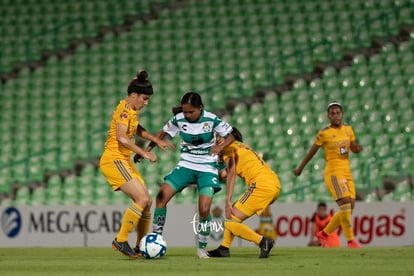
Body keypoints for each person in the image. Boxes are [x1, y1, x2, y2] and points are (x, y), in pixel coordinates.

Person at [141, 92, 235, 259]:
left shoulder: (211, 119)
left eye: (191, 112)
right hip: (186, 165)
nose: (187, 115)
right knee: (161, 197)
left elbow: (232, 135)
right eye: (185, 112)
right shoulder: (178, 119)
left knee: (204, 208)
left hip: (207, 167)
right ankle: (156, 238)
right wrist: (146, 151)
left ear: (200, 108)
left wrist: (220, 148)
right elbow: (162, 133)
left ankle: (201, 248)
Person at [99, 70, 174, 258]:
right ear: (134, 95)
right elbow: (122, 137)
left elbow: (137, 130)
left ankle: (141, 246)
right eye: (144, 99)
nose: (146, 103)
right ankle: (121, 240)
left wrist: (155, 140)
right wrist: (144, 153)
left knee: (147, 202)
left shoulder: (131, 110)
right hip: (114, 159)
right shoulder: (124, 110)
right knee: (142, 200)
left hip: (123, 160)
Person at [294, 101, 363, 248]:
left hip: (347, 170)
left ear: (342, 114)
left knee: (350, 207)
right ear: (328, 116)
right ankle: (351, 241)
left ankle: (324, 233)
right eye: (333, 113)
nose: (336, 115)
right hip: (333, 171)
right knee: (345, 203)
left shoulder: (348, 130)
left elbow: (353, 147)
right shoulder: (324, 133)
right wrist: (301, 167)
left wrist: (357, 148)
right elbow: (312, 151)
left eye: (338, 112)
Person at [208, 127, 281, 258]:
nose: (218, 139)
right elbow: (225, 173)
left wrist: (227, 200)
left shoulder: (228, 148)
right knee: (232, 216)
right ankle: (224, 247)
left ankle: (263, 241)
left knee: (230, 220)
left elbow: (231, 174)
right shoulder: (241, 147)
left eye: (220, 136)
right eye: (217, 136)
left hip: (261, 186)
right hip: (273, 184)